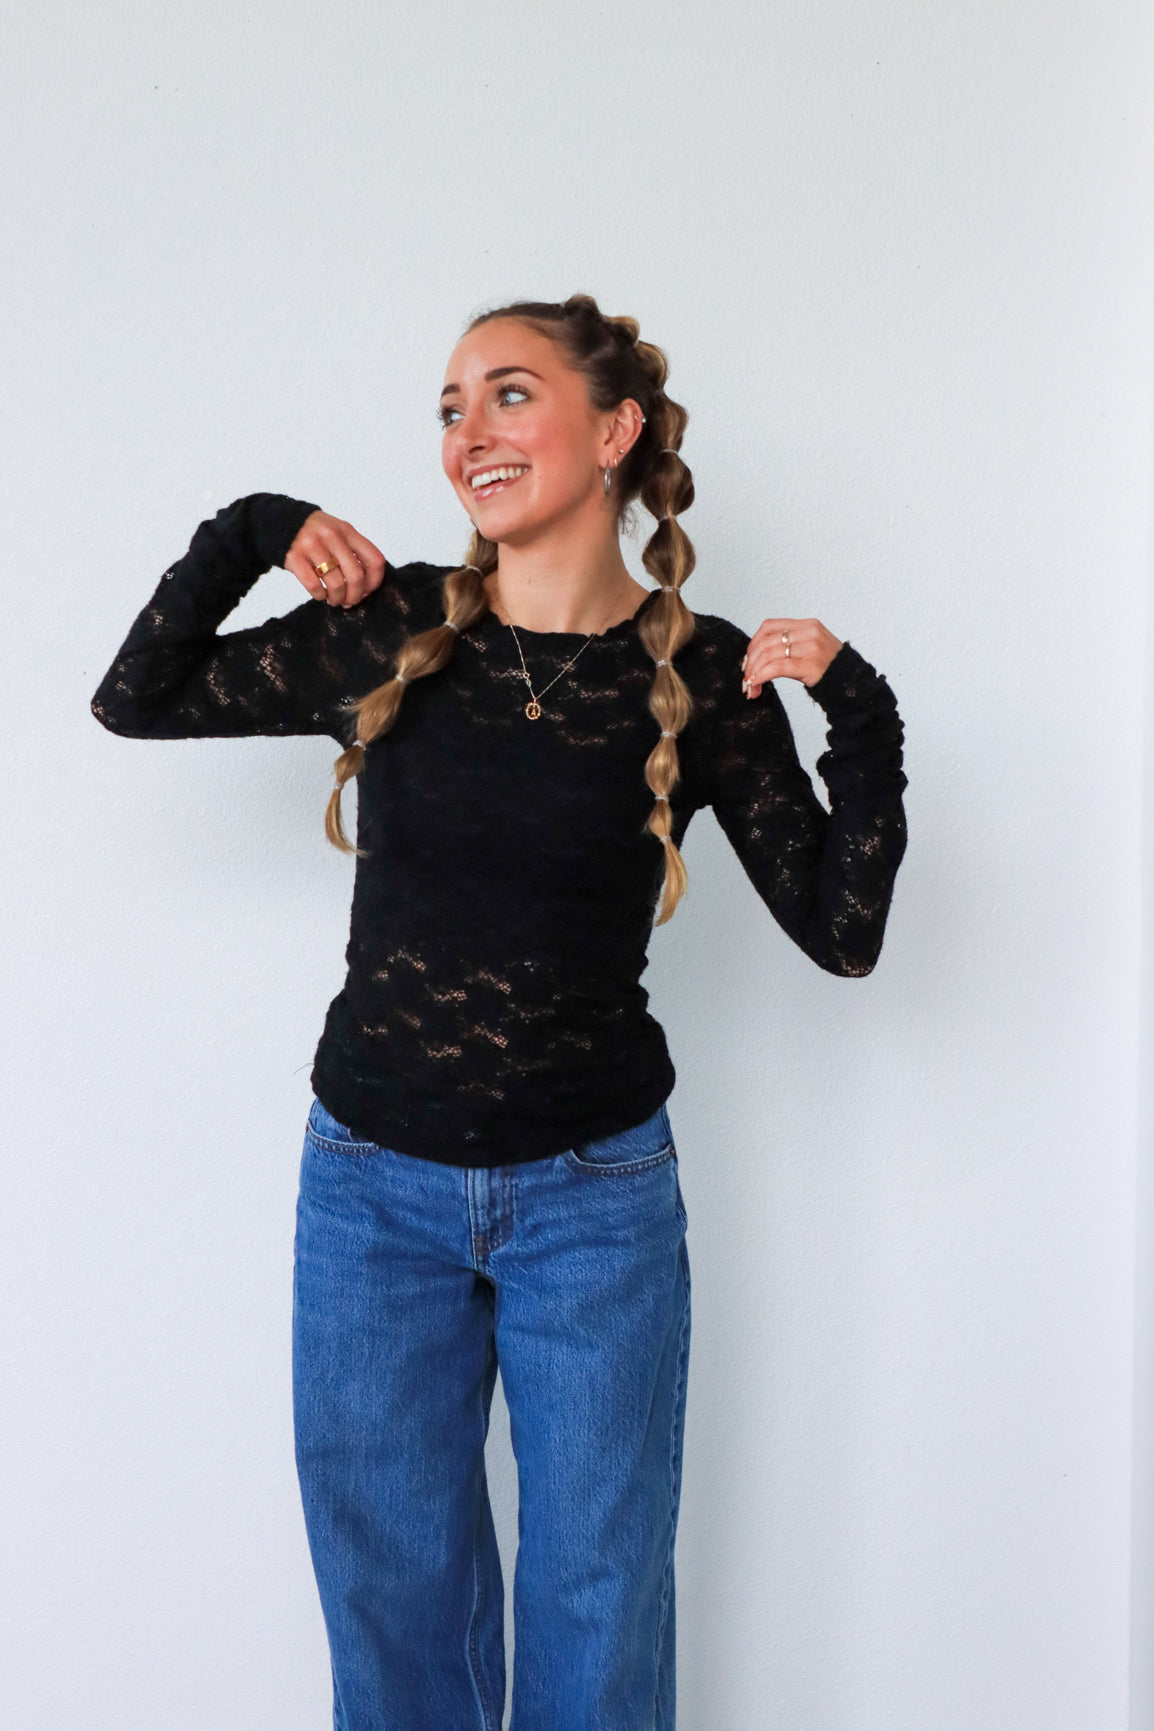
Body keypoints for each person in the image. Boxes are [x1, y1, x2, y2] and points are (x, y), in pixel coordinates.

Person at [91, 292, 908, 1731]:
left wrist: (858, 710)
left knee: (597, 1607)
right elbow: (135, 698)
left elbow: (843, 935)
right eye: (451, 406)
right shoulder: (393, 630)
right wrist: (257, 524)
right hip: (368, 1193)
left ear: (614, 433)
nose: (470, 429)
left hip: (595, 1201)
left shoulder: (698, 671)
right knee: (390, 1596)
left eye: (509, 394)